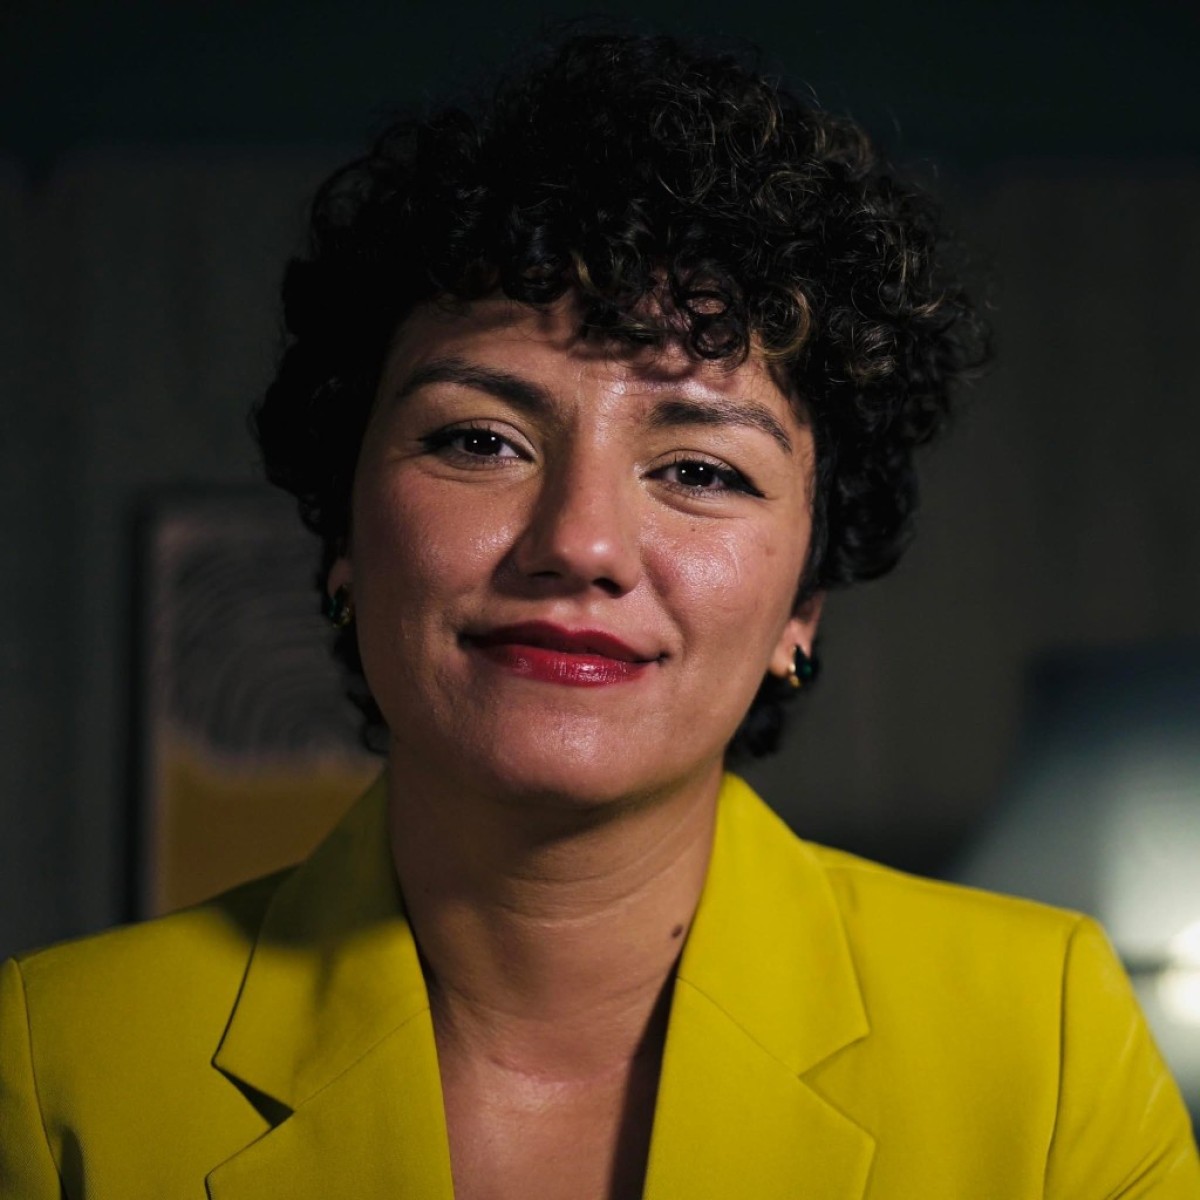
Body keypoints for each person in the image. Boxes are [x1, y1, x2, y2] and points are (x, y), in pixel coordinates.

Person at [2, 30, 1197, 1200]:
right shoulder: (52, 1061)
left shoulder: (1045, 1043)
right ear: (343, 538)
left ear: (804, 604)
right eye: (481, 441)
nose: (577, 540)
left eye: (701, 471)